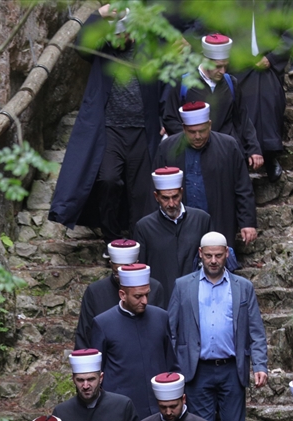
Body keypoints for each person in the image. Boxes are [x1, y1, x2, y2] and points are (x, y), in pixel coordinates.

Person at [48, 5, 163, 241]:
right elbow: (82, 44)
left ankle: (140, 241)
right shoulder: (102, 51)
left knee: (141, 190)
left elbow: (166, 82)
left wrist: (166, 118)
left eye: (125, 34)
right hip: (110, 128)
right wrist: (97, 16)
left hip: (142, 129)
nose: (121, 39)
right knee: (108, 180)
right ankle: (111, 239)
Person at [169, 232, 269, 421]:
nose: (213, 261)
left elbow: (255, 330)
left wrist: (260, 365)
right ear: (200, 253)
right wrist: (174, 368)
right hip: (197, 369)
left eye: (218, 255)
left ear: (226, 253)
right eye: (208, 256)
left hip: (231, 369)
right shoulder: (183, 286)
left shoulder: (243, 287)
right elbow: (171, 328)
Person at [155, 101, 257, 250]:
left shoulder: (228, 146)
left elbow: (242, 186)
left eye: (202, 131)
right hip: (179, 224)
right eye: (192, 132)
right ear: (184, 128)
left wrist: (247, 222)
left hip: (218, 218)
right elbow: (156, 189)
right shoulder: (167, 148)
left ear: (210, 125)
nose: (197, 136)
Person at [160, 33, 264, 170]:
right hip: (193, 155)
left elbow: (242, 119)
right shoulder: (184, 83)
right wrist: (193, 139)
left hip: (226, 153)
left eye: (225, 66)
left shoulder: (231, 83)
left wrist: (254, 148)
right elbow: (170, 118)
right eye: (217, 66)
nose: (222, 71)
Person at [90, 263, 177, 418]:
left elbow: (171, 363)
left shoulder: (161, 317)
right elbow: (97, 372)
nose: (144, 301)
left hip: (160, 408)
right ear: (123, 295)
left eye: (147, 294)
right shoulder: (103, 324)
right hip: (121, 411)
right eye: (138, 296)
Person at [234, 3, 293, 182]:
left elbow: (290, 32)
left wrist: (272, 57)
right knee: (238, 99)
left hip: (268, 62)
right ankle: (243, 154)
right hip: (238, 63)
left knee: (270, 95)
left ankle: (269, 153)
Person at [76, 239, 169, 348]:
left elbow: (162, 332)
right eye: (118, 273)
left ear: (136, 264)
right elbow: (84, 336)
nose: (123, 278)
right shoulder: (95, 292)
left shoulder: (154, 288)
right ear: (111, 264)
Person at [133, 168, 213, 293]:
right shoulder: (144, 227)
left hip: (196, 295)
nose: (171, 204)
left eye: (175, 197)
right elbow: (141, 270)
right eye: (165, 198)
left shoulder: (201, 220)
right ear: (156, 196)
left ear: (181, 192)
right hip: (161, 299)